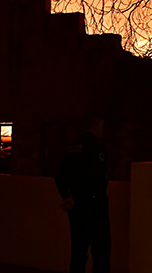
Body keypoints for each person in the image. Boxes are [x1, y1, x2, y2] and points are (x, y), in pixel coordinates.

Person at [55, 115, 111, 273]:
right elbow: (97, 179)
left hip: (76, 209)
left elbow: (60, 175)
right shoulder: (96, 146)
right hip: (95, 208)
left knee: (78, 253)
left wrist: (68, 197)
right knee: (101, 253)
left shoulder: (73, 146)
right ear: (98, 124)